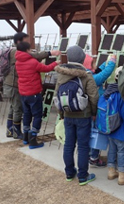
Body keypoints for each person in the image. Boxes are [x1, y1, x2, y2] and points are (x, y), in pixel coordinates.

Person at [54, 45, 99, 185]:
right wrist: (93, 113)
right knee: (83, 146)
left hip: (67, 114)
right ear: (82, 58)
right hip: (83, 115)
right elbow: (94, 96)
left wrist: (61, 113)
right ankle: (83, 176)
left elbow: (57, 95)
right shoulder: (86, 75)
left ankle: (69, 173)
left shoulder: (61, 74)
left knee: (68, 145)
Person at [4, 32, 61, 140]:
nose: (29, 43)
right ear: (20, 42)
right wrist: (53, 58)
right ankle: (25, 135)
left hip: (22, 90)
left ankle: (19, 133)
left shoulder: (18, 60)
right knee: (29, 112)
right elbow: (43, 65)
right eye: (27, 41)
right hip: (30, 91)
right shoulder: (26, 58)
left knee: (23, 112)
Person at [15, 42, 60, 149]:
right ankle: (33, 139)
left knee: (27, 114)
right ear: (27, 50)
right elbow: (47, 68)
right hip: (34, 93)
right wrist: (56, 63)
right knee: (37, 115)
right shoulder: (32, 62)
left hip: (23, 93)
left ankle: (26, 137)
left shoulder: (18, 62)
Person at [97, 66, 124, 185]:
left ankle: (111, 171)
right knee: (122, 152)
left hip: (109, 129)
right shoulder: (122, 94)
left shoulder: (109, 91)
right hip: (121, 130)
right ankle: (122, 175)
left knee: (112, 150)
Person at [83, 54, 116, 167]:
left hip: (89, 110)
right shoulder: (91, 78)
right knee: (96, 133)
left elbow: (99, 70)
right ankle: (94, 157)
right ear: (88, 65)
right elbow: (104, 74)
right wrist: (111, 63)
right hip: (95, 110)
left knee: (90, 133)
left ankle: (88, 155)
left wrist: (106, 62)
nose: (95, 65)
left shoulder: (86, 74)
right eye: (92, 62)